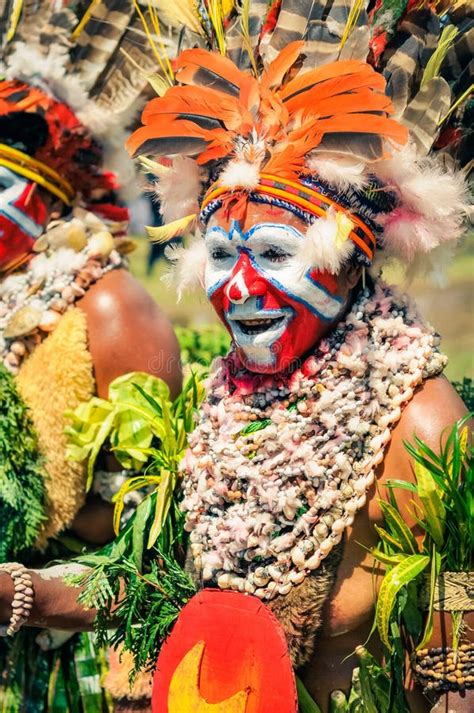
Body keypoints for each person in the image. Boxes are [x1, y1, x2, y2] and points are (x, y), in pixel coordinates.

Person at [1, 1, 472, 712]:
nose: (240, 288)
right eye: (223, 255)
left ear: (349, 261)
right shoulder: (216, 404)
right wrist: (22, 592)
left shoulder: (429, 436)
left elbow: (455, 673)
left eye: (276, 254)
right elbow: (158, 592)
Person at [0, 0, 181, 707]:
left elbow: (158, 564)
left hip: (73, 676)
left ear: (43, 197)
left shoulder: (107, 310)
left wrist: (28, 592)